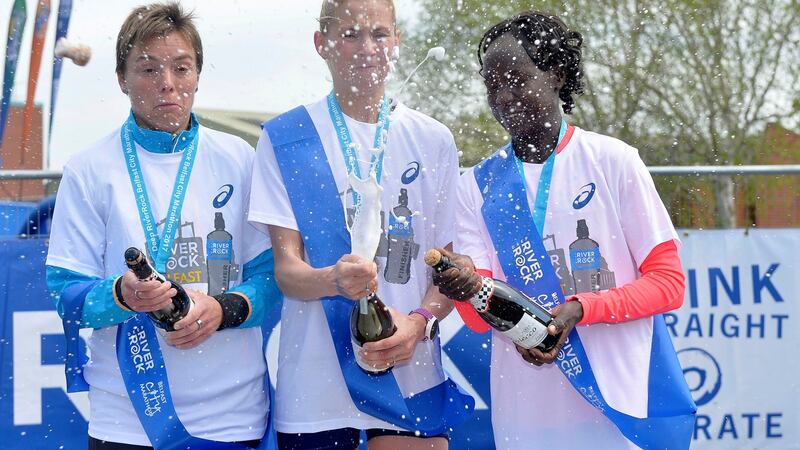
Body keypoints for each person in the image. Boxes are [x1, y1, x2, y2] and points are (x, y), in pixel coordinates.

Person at [431, 11, 696, 450]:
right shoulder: (476, 186)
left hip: (618, 407)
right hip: (527, 414)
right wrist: (464, 286)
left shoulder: (614, 161)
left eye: (516, 79)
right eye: (492, 84)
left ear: (555, 75)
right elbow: (479, 322)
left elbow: (668, 285)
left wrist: (579, 309)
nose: (503, 97)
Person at [46, 3, 280, 448]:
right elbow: (65, 294)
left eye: (181, 67)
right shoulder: (89, 168)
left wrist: (222, 309)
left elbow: (272, 280)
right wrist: (123, 295)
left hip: (233, 415)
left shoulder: (240, 159)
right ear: (122, 78)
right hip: (127, 419)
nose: (167, 83)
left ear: (197, 75)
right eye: (148, 69)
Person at [248, 0, 473, 449]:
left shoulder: (433, 138)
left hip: (410, 373)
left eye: (379, 34)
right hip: (316, 389)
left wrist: (420, 322)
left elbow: (451, 265)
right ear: (322, 44)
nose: (367, 47)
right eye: (350, 35)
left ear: (397, 40)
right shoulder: (286, 137)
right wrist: (333, 279)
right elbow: (287, 273)